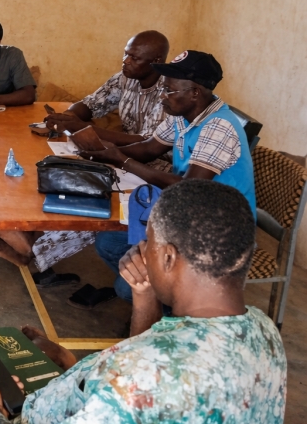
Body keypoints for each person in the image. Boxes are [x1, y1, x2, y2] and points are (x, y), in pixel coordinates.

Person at [0, 179, 286, 424]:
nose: (139, 249)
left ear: (169, 258)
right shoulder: (264, 332)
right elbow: (150, 356)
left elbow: (138, 378)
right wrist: (75, 366)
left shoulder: (136, 379)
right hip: (98, 402)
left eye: (147, 242)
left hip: (27, 423)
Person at [0, 31, 171, 287]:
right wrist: (69, 118)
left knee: (96, 199)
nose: (125, 61)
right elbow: (90, 104)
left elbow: (149, 145)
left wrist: (87, 130)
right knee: (65, 174)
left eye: (134, 57)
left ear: (156, 61)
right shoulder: (125, 78)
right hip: (121, 156)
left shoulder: (168, 92)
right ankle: (32, 236)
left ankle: (31, 249)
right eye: (125, 53)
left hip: (154, 167)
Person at [79, 50, 256, 306]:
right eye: (163, 88)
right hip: (185, 213)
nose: (162, 96)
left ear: (195, 93)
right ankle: (162, 294)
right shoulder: (184, 116)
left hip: (218, 230)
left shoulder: (219, 126)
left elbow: (189, 187)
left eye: (169, 91)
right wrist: (105, 153)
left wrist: (123, 161)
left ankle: (174, 306)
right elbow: (149, 148)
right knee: (109, 241)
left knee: (126, 288)